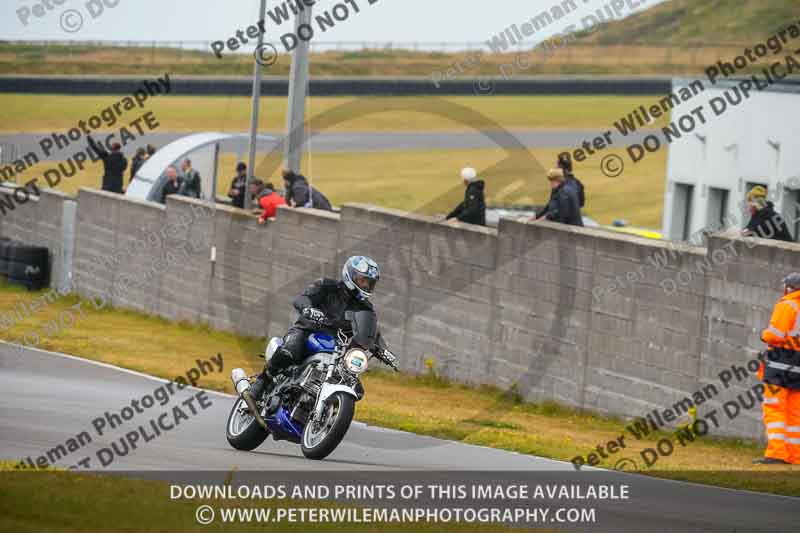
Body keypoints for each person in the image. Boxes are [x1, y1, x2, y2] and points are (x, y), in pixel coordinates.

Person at [242, 256, 382, 416]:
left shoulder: (366, 309)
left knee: (355, 387)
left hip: (336, 346)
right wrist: (308, 309)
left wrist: (381, 349)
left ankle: (321, 411)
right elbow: (303, 299)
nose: (366, 285)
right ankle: (260, 384)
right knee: (290, 350)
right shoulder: (327, 286)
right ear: (350, 274)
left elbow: (370, 332)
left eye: (370, 283)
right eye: (363, 280)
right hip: (307, 330)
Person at [754, 272, 800, 465]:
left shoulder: (787, 304)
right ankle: (794, 454)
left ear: (789, 287)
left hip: (780, 364)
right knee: (794, 412)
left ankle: (776, 453)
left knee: (774, 408)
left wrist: (764, 335)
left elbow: (775, 335)